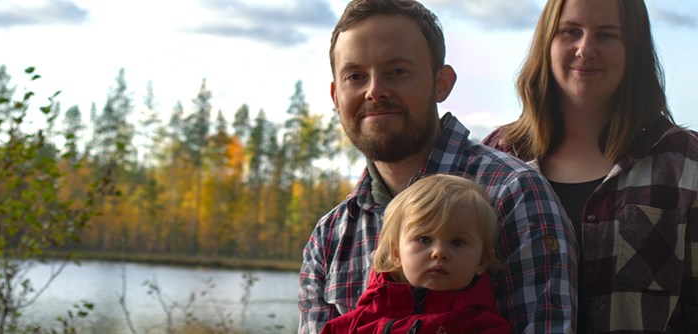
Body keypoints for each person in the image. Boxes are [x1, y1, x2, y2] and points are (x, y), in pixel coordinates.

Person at [298, 0, 578, 333]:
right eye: (356, 76)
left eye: (397, 71)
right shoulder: (329, 239)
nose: (374, 91)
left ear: (441, 83)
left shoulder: (514, 195)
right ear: (335, 96)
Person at [482, 0, 698, 332]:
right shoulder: (496, 157)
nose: (586, 48)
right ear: (547, 43)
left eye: (607, 35)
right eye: (571, 31)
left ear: (634, 49)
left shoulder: (684, 161)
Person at [320, 174, 509, 334]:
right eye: (425, 239)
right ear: (396, 254)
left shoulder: (484, 327)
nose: (439, 252)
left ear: (481, 262)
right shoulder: (358, 322)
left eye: (458, 242)